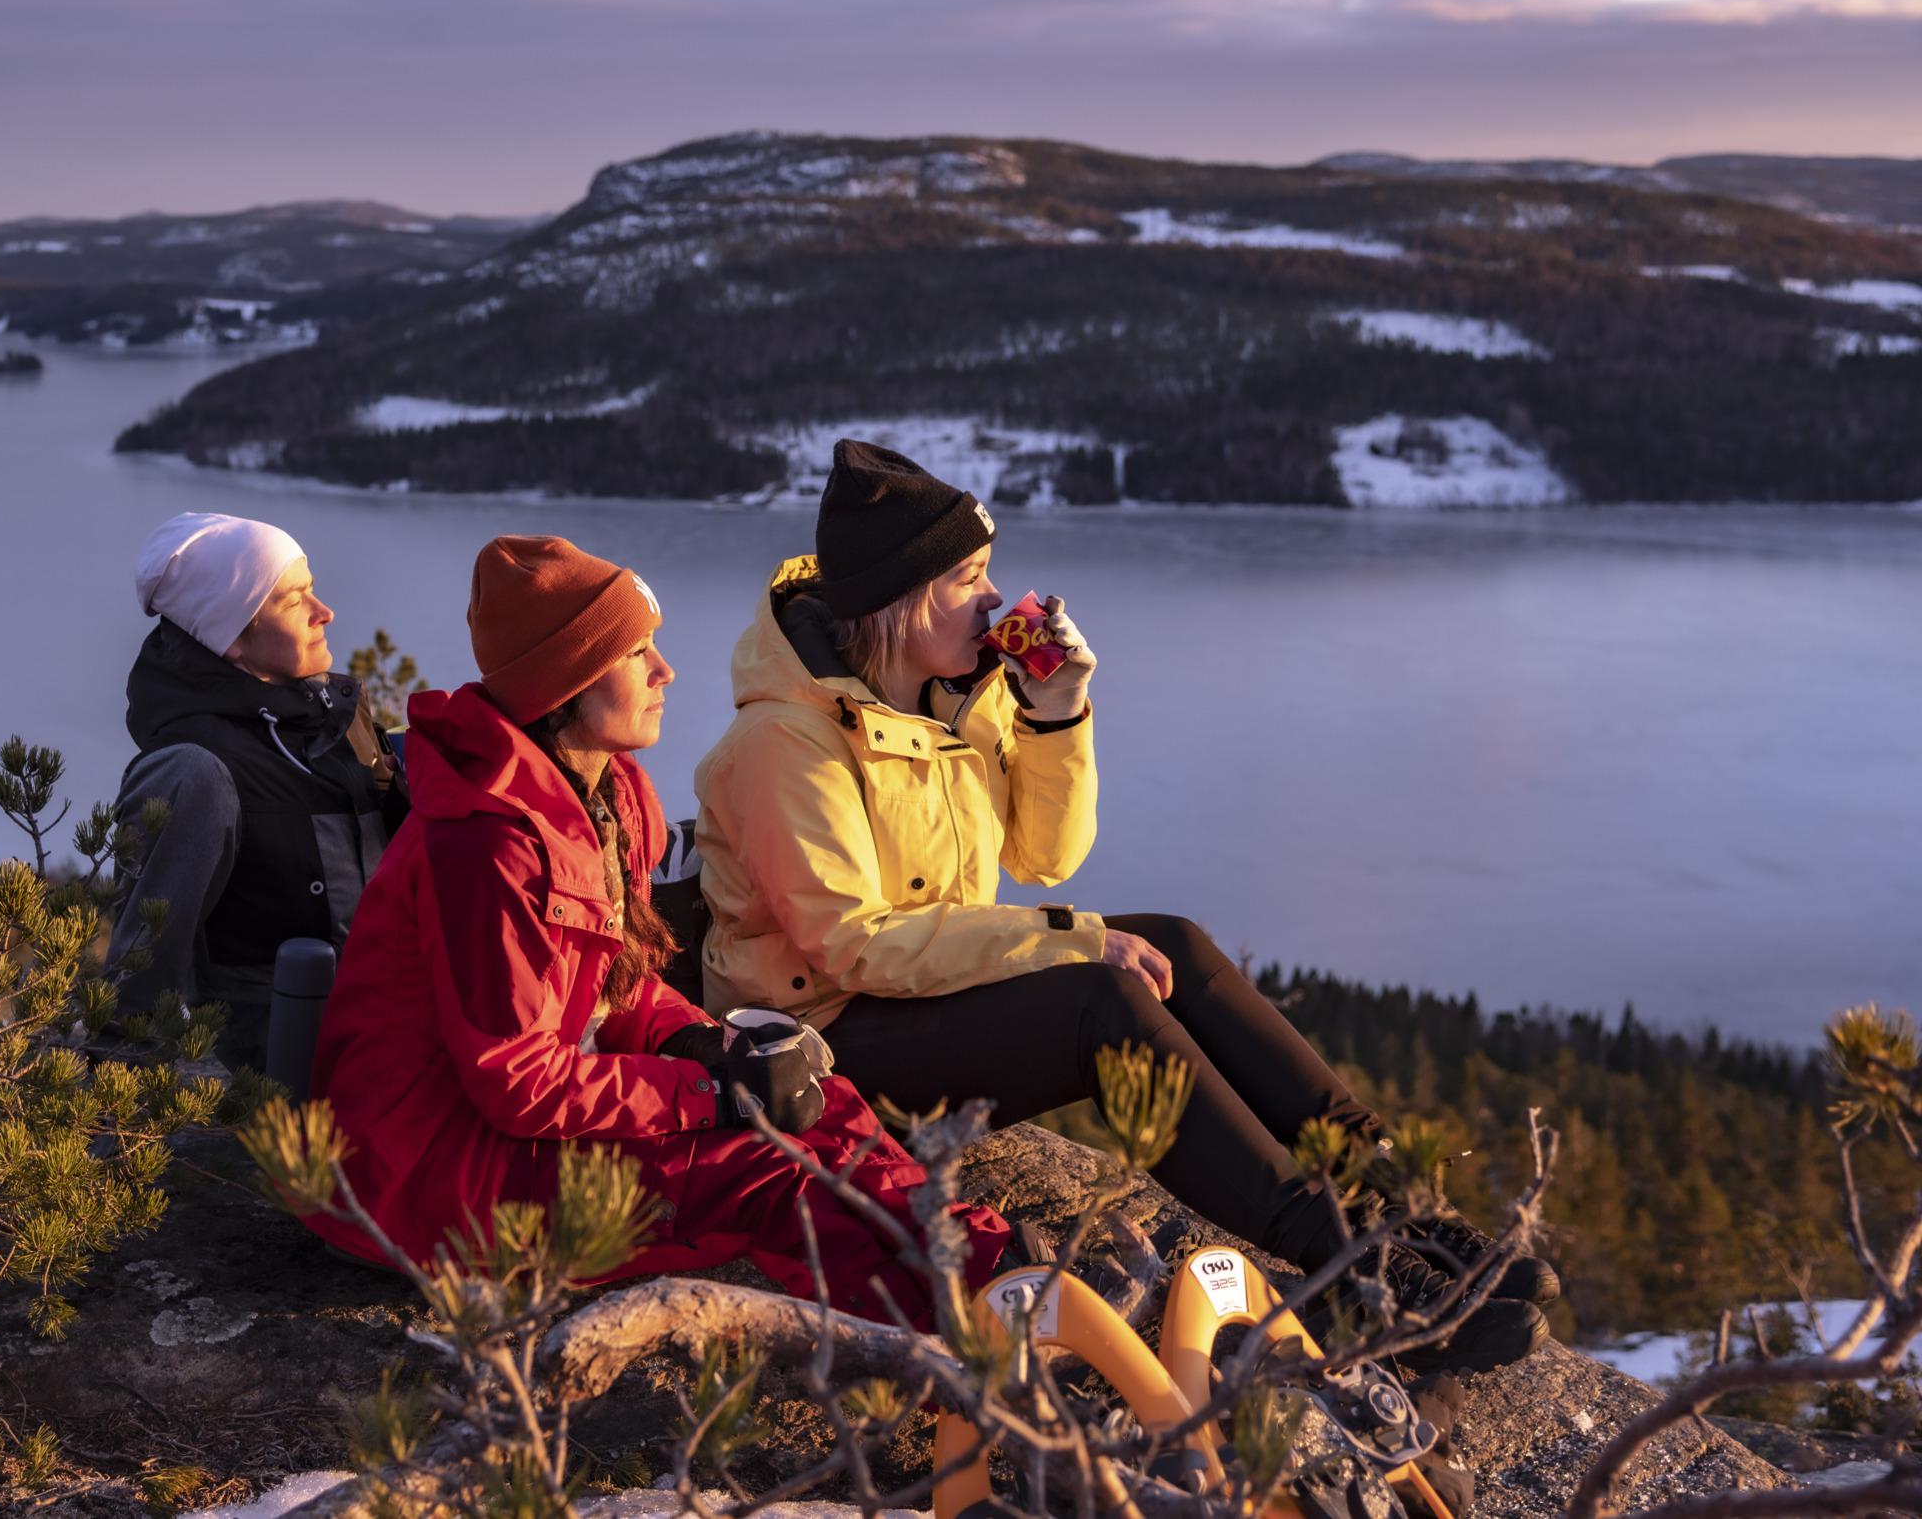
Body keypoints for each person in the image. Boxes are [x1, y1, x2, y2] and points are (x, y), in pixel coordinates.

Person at [690, 440, 1557, 1371]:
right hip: (824, 1047)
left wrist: (1055, 711)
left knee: (1175, 944)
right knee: (1100, 1006)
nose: (995, 597)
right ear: (899, 603)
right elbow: (851, 944)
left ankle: (1400, 1206)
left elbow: (1043, 854)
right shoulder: (784, 740)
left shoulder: (951, 698)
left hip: (917, 990)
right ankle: (1349, 1274)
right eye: (969, 577)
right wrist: (1071, 944)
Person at [304, 534, 1011, 1326]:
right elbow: (518, 1081)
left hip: (512, 1131)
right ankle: (965, 1343)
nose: (665, 670)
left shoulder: (609, 798)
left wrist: (715, 1048)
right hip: (426, 1174)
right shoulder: (485, 841)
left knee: (825, 1104)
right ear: (564, 681)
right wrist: (709, 1093)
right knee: (767, 1177)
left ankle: (996, 1268)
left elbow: (617, 987)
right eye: (636, 652)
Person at [104, 512, 405, 1066]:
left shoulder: (333, 713)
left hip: (386, 1024)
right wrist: (128, 1099)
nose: (325, 613)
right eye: (294, 602)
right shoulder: (194, 771)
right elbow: (143, 968)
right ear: (231, 640)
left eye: (312, 589)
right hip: (280, 1064)